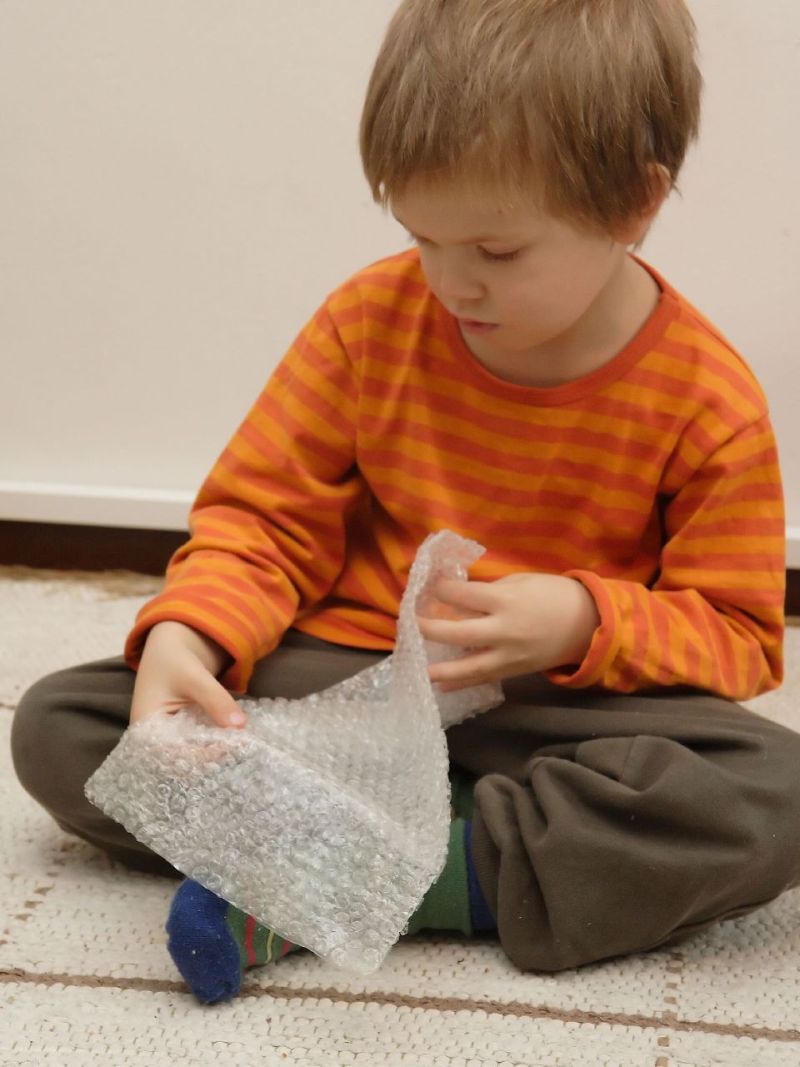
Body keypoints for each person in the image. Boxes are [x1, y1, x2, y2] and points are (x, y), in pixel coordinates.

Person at [12, 0, 800, 1007]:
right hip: (355, 681)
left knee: (773, 795)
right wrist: (194, 639)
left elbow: (738, 637)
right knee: (63, 723)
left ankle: (386, 869)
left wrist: (578, 616)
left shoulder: (707, 403)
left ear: (634, 203)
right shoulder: (365, 323)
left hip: (561, 719)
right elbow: (262, 520)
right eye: (421, 236)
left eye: (497, 250)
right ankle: (421, 833)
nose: (449, 281)